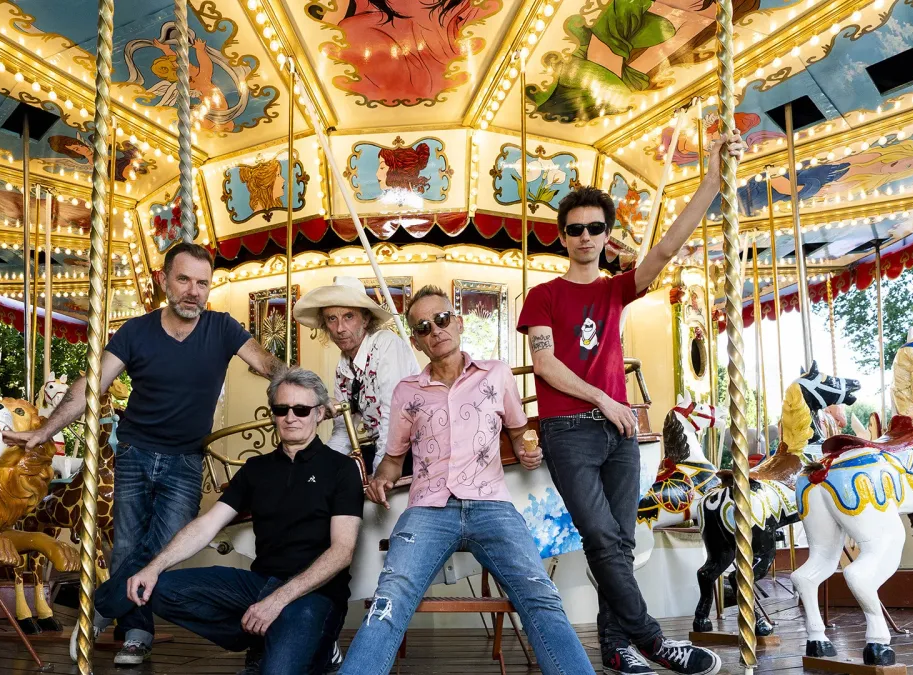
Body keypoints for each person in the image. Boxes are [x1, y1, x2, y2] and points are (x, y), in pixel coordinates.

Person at [516, 133, 744, 675]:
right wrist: (605, 398)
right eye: (576, 229)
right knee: (598, 535)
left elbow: (665, 249)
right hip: (569, 429)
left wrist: (713, 181)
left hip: (618, 433)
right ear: (563, 236)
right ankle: (653, 639)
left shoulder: (616, 290)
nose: (585, 237)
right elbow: (545, 364)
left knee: (618, 543)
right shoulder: (543, 295)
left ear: (606, 235)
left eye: (595, 228)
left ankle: (617, 649)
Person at [4, 242, 286, 667]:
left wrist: (305, 391)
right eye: (184, 279)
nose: (193, 291)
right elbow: (91, 385)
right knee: (127, 546)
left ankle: (102, 606)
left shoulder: (222, 328)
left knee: (168, 547)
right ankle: (136, 633)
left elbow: (267, 364)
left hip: (186, 458)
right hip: (135, 453)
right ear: (164, 280)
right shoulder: (136, 332)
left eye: (203, 283)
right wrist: (45, 430)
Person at [339, 286, 594, 675]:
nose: (435, 330)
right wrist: (380, 480)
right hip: (428, 510)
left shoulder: (497, 374)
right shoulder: (407, 391)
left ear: (458, 322)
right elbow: (392, 460)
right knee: (389, 600)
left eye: (442, 319)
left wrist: (527, 450)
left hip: (492, 506)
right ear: (416, 341)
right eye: (423, 327)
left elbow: (518, 431)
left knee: (540, 596)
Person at [125, 367, 363, 675]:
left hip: (314, 594)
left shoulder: (342, 468)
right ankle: (263, 636)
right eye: (281, 409)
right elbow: (208, 524)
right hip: (259, 584)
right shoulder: (256, 469)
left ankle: (313, 648)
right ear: (273, 414)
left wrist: (278, 600)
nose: (291, 417)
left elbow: (342, 552)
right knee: (159, 590)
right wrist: (154, 567)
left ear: (319, 414)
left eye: (301, 410)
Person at [294, 276, 420, 476]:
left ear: (366, 319)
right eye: (331, 319)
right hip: (381, 447)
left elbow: (393, 420)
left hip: (412, 450)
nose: (340, 328)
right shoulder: (343, 368)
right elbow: (344, 431)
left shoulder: (386, 345)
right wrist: (319, 469)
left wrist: (379, 474)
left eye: (348, 317)